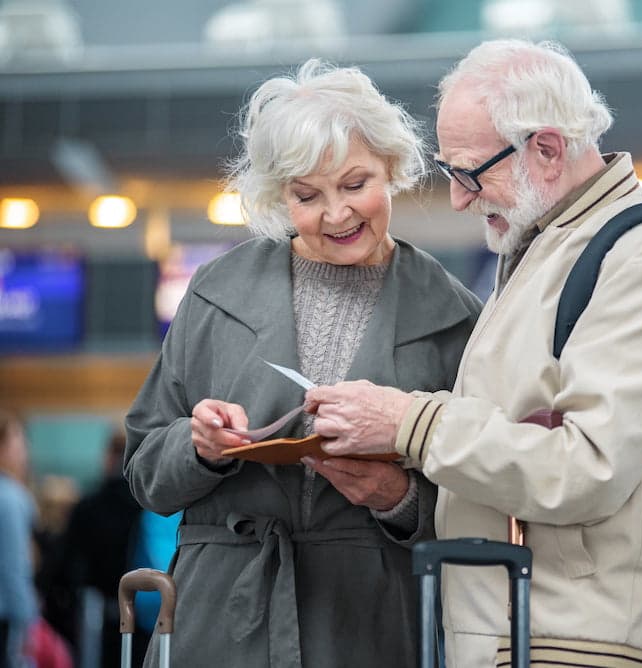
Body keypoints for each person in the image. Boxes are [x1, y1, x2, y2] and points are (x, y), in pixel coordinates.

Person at [305, 39, 642, 667]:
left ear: (547, 148)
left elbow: (584, 468)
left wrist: (409, 422)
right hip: (526, 629)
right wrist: (398, 487)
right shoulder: (551, 249)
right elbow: (515, 456)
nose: (458, 198)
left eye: (470, 173)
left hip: (577, 641)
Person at [123, 58, 481, 668]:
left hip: (367, 618)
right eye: (307, 195)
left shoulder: (453, 315)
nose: (337, 214)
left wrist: (399, 497)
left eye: (355, 183)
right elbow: (144, 469)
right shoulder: (216, 291)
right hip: (223, 618)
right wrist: (200, 445)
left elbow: (482, 495)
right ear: (277, 195)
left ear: (392, 167)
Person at [38, 432, 143, 668]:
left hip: (95, 617)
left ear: (108, 457)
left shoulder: (88, 506)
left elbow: (61, 568)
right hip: (146, 614)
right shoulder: (152, 508)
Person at [0, 410, 38, 668]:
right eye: (19, 442)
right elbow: (15, 566)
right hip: (7, 616)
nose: (25, 451)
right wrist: (30, 619)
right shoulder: (11, 498)